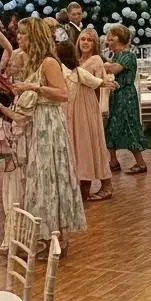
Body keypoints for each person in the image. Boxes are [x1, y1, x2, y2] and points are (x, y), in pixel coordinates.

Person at [11, 18, 86, 250]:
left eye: (23, 35)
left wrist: (33, 88)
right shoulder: (31, 62)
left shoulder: (48, 62)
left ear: (33, 37)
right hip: (37, 122)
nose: (19, 39)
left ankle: (56, 236)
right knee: (40, 177)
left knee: (49, 175)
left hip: (49, 123)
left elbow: (63, 93)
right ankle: (45, 233)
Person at [57, 38, 115, 202]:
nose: (85, 42)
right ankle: (81, 184)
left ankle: (89, 184)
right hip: (73, 111)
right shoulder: (69, 70)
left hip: (83, 111)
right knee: (79, 146)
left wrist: (106, 83)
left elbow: (95, 81)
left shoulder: (78, 70)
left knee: (86, 144)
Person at [103, 24, 148, 174]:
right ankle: (113, 161)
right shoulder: (115, 55)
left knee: (129, 125)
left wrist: (100, 61)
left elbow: (115, 69)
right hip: (115, 94)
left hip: (126, 95)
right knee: (111, 126)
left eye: (113, 36)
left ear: (120, 38)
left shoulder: (128, 55)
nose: (109, 39)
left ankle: (141, 163)